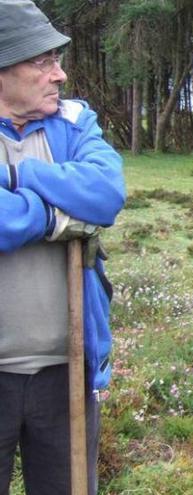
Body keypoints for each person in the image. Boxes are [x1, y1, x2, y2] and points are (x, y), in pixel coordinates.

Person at [0, 1, 126, 493]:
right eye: (43, 62)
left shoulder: (73, 123)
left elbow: (105, 193)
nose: (60, 74)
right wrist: (54, 216)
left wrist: (18, 175)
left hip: (65, 371)